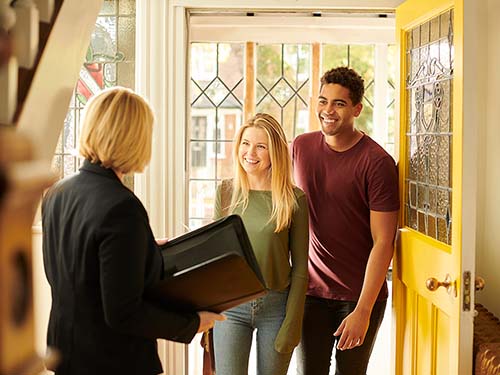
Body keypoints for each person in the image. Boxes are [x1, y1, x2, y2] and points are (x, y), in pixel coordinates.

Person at [42, 87, 224, 375]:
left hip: (66, 354)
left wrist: (142, 248)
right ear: (135, 138)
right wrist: (192, 323)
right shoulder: (121, 207)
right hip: (112, 362)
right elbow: (123, 313)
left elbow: (77, 265)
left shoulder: (57, 192)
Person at [291, 67, 399, 375]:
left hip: (358, 295)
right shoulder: (301, 147)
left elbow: (383, 242)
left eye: (338, 103)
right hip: (311, 293)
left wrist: (363, 311)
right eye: (323, 101)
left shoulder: (376, 163)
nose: (327, 111)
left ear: (356, 109)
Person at [212, 113, 309, 375]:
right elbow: (214, 260)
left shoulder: (294, 199)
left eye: (260, 146)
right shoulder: (225, 192)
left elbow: (301, 268)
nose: (250, 152)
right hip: (231, 309)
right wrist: (208, 313)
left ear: (274, 152)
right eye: (245, 143)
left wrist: (293, 322)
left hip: (276, 308)